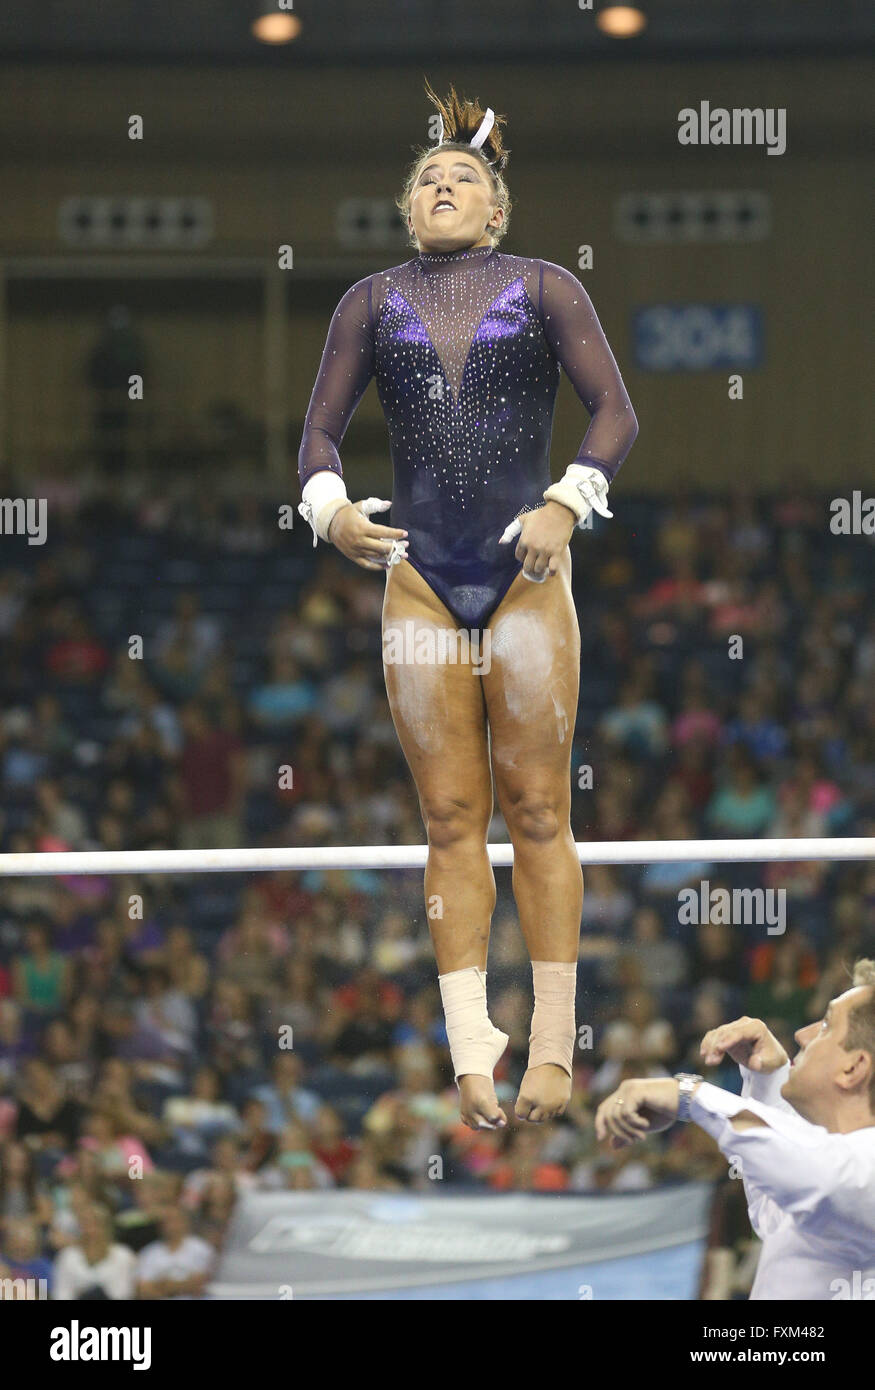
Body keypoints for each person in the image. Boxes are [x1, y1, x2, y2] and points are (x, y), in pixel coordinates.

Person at [297, 80, 637, 1131]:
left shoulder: (543, 287)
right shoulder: (368, 299)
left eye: (462, 179)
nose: (442, 186)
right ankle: (469, 1043)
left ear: (496, 210)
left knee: (536, 810)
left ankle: (550, 1042)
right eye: (426, 181)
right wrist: (328, 508)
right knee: (449, 817)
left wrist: (565, 503)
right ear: (408, 213)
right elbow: (316, 436)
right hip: (418, 573)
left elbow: (613, 413)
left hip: (523, 570)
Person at [594, 959, 875, 1299]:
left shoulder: (856, 1171)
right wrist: (768, 1079)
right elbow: (778, 1213)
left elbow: (821, 1176)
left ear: (854, 1067)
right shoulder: (834, 1178)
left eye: (827, 1026)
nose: (802, 1034)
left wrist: (689, 1096)